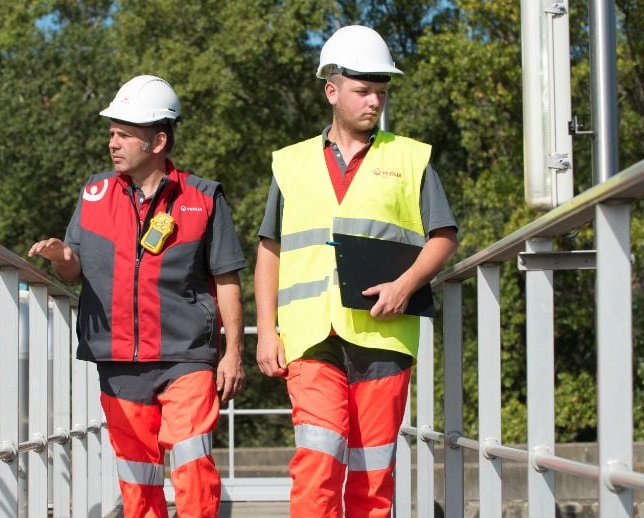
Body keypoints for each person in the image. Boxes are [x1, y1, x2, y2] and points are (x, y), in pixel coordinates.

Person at [254, 25, 459, 517]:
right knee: (317, 465)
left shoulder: (410, 158)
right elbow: (270, 249)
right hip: (309, 336)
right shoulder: (292, 163)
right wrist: (265, 332)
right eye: (363, 91)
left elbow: (444, 237)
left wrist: (406, 284)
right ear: (332, 90)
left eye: (381, 93)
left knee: (372, 475)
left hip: (383, 335)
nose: (374, 102)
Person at [28, 75, 246, 518]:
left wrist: (234, 353)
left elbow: (227, 279)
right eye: (111, 132)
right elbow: (74, 268)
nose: (113, 143)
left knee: (192, 463)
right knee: (137, 474)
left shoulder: (203, 198)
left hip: (187, 356)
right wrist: (60, 256)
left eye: (125, 134)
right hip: (119, 358)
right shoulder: (94, 194)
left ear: (158, 140)